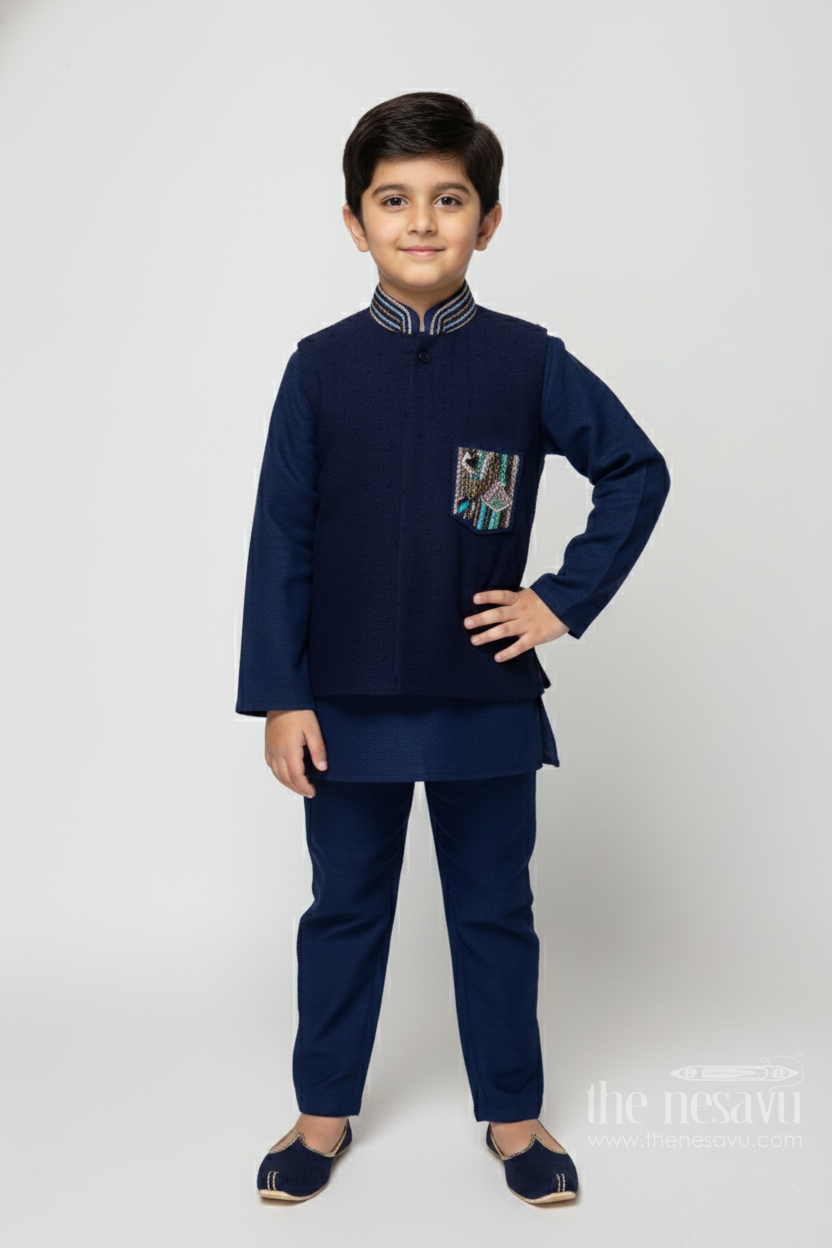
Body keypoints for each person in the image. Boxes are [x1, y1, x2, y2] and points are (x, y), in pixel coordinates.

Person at [235, 91, 670, 1205]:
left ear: (489, 220)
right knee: (344, 911)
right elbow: (280, 539)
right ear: (354, 223)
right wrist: (282, 695)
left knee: (494, 912)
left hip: (483, 701)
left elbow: (635, 469)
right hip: (341, 710)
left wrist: (559, 601)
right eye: (394, 201)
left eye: (448, 199)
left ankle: (515, 1121)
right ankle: (321, 1114)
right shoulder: (318, 368)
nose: (421, 222)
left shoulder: (527, 361)